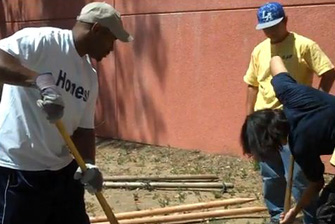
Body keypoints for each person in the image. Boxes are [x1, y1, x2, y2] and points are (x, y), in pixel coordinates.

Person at [0, 2, 133, 224]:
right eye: (112, 39)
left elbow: (83, 129)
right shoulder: (43, 41)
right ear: (97, 29)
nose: (112, 47)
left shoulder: (89, 77)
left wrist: (89, 163)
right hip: (20, 171)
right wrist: (39, 81)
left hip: (62, 174)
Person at [243, 2, 335, 223]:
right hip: (269, 122)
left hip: (293, 121)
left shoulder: (304, 45)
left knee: (300, 179)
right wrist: (250, 121)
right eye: (266, 28)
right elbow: (253, 83)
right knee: (272, 176)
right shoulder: (261, 52)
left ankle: (312, 219)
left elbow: (328, 71)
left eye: (275, 26)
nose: (270, 32)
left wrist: (315, 101)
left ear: (286, 21)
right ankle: (280, 217)